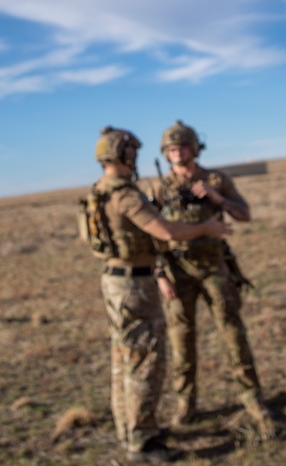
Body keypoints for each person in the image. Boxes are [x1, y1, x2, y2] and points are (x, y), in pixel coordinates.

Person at [88, 125, 229, 463]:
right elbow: (167, 231)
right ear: (123, 154)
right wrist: (206, 228)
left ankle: (132, 431)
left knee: (123, 360)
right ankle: (143, 442)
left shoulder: (100, 191)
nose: (135, 158)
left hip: (114, 280)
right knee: (144, 360)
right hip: (134, 284)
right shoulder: (124, 194)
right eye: (132, 152)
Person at [150, 120, 276, 440]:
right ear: (165, 153)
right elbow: (149, 237)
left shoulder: (215, 179)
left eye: (182, 147)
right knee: (182, 341)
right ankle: (186, 404)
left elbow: (244, 214)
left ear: (194, 148)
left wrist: (217, 198)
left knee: (233, 334)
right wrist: (160, 275)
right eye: (171, 149)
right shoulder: (159, 188)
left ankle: (253, 399)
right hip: (178, 273)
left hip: (215, 269)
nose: (177, 153)